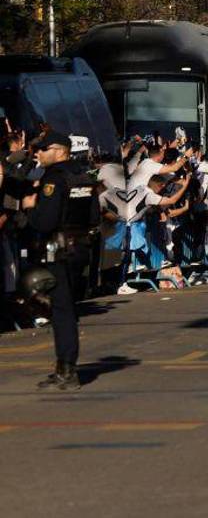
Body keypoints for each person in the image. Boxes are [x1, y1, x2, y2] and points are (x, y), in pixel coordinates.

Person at [22, 131, 100, 391]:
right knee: (66, 308)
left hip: (59, 249)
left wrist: (30, 207)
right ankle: (65, 365)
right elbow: (93, 216)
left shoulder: (53, 179)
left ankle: (67, 368)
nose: (38, 154)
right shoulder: (84, 176)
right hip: (80, 248)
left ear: (59, 150)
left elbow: (45, 221)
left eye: (43, 149)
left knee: (62, 311)